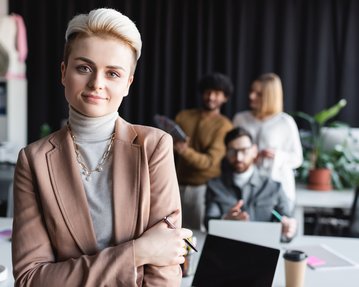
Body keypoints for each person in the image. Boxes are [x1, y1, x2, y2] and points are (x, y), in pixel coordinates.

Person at [11, 8, 193, 286]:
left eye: (113, 73)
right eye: (84, 68)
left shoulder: (154, 147)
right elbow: (31, 279)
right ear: (63, 72)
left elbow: (164, 270)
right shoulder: (33, 160)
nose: (96, 83)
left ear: (128, 83)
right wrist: (137, 253)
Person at [205, 127, 297, 239]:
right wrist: (225, 220)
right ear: (226, 153)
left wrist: (289, 229)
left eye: (244, 150)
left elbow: (289, 225)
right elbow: (208, 223)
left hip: (265, 250)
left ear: (254, 151)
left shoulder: (274, 187)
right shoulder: (215, 186)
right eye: (232, 151)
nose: (238, 157)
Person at [232, 73, 303, 211]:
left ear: (270, 96)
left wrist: (277, 155)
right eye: (251, 91)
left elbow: (297, 159)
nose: (251, 96)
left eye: (258, 94)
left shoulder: (285, 122)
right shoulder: (240, 119)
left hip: (277, 186)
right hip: (245, 186)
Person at [174, 72, 234, 231]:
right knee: (173, 231)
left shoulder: (225, 126)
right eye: (208, 92)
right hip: (175, 184)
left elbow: (208, 163)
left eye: (217, 93)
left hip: (203, 189)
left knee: (196, 235)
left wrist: (184, 150)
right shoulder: (184, 116)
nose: (211, 97)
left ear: (225, 98)